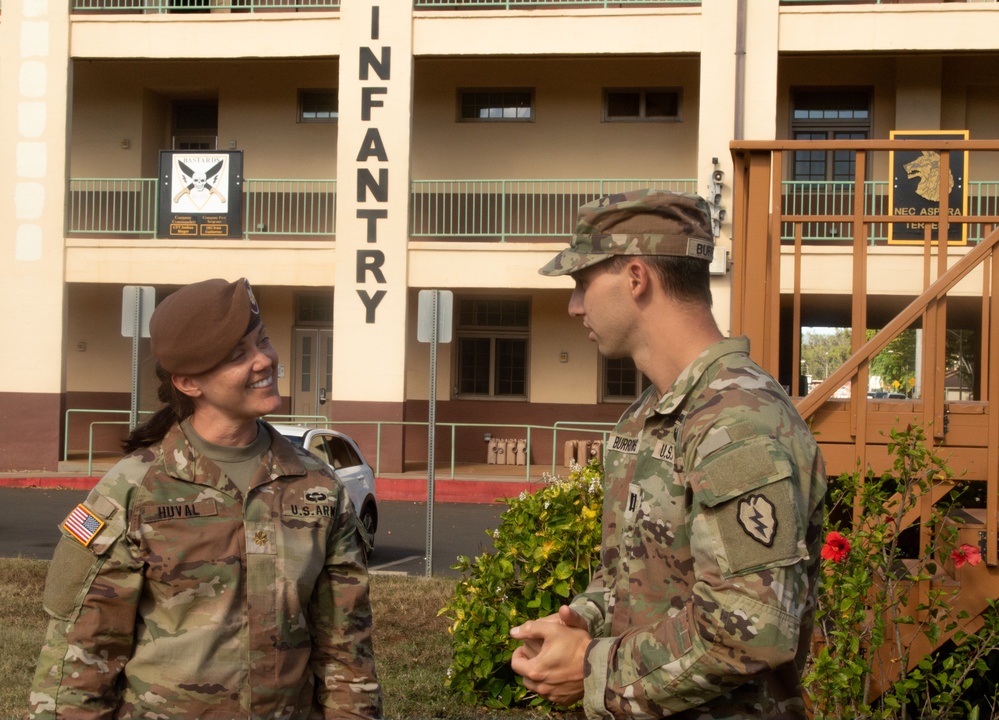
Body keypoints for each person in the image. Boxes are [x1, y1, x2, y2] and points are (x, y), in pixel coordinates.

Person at [510, 190, 827, 719]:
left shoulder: (737, 422)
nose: (574, 305)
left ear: (636, 278)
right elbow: (636, 574)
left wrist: (593, 667)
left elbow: (749, 630)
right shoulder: (649, 414)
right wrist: (583, 619)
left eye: (582, 282)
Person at [29, 278, 383, 720]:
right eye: (238, 354)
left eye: (263, 341)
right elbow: (81, 656)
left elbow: (346, 646)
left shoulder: (317, 485)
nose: (264, 360)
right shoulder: (134, 491)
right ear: (189, 382)